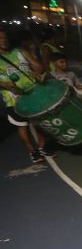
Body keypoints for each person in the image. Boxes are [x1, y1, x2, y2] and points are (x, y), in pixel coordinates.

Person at [0, 29, 50, 163]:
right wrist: (5, 84)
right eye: (0, 38)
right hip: (14, 97)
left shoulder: (19, 52)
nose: (3, 40)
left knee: (38, 121)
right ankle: (32, 151)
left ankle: (42, 147)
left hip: (33, 91)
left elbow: (39, 66)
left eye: (4, 37)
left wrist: (37, 71)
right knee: (23, 126)